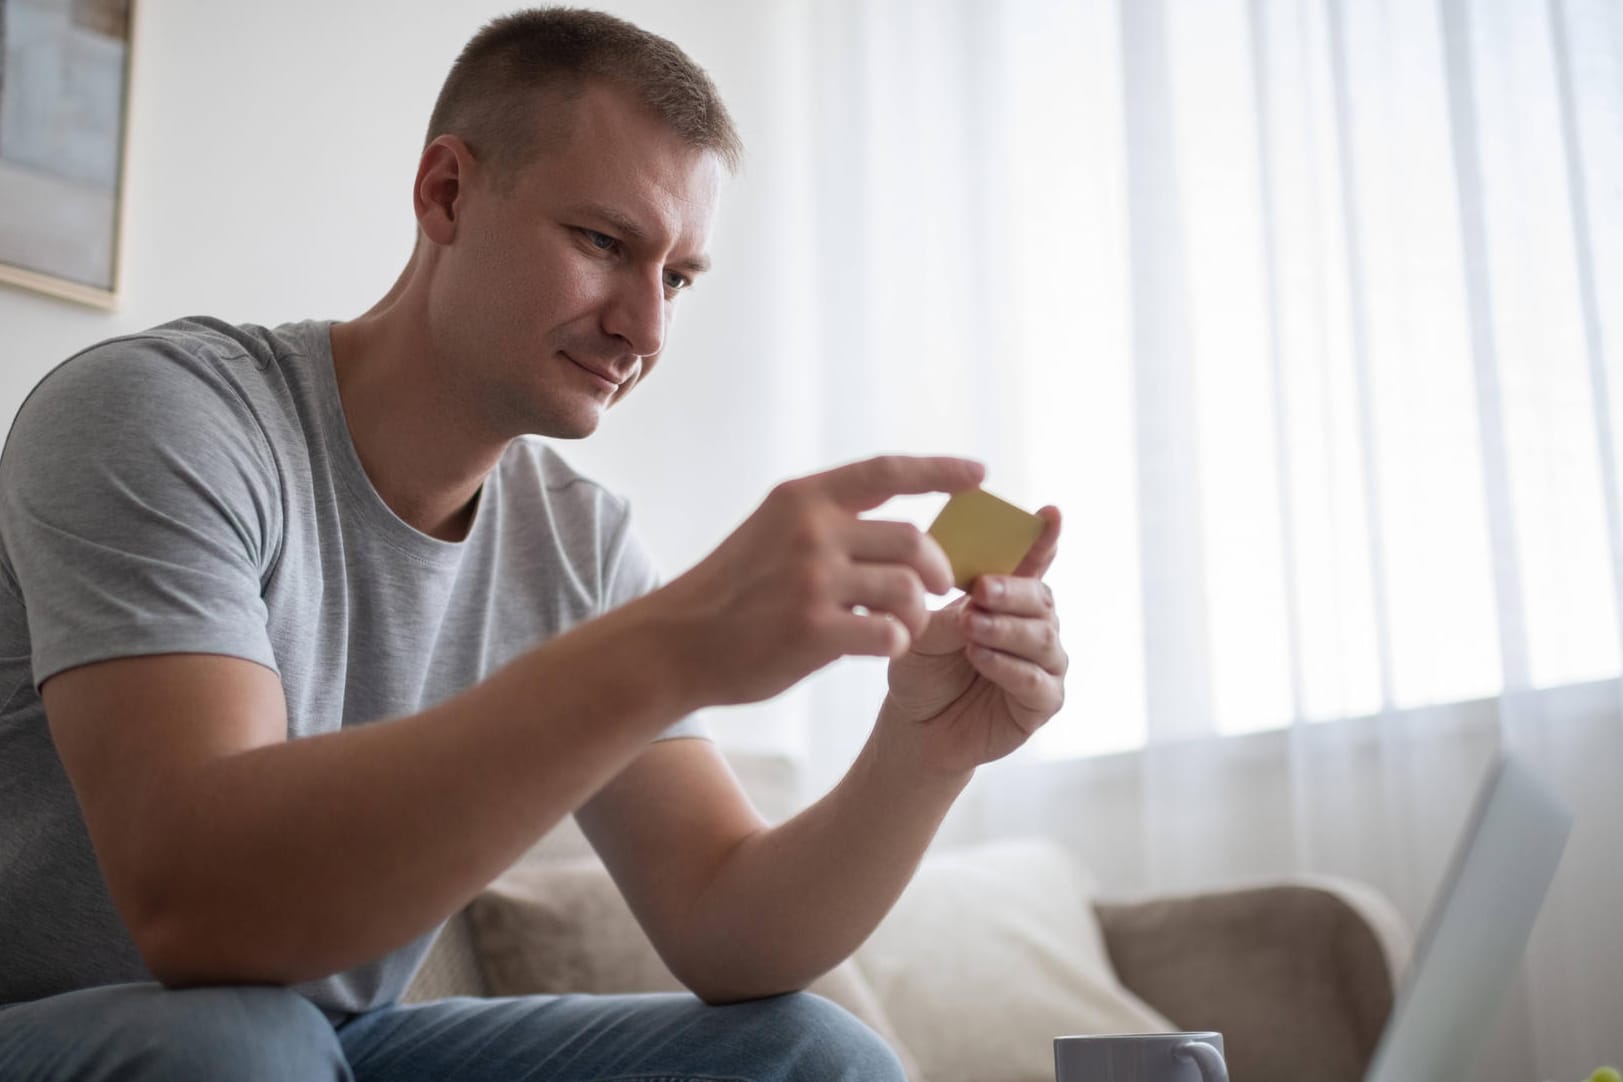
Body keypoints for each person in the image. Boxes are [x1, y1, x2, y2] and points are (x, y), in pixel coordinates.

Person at [0, 8, 1067, 1081]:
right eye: (606, 243)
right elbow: (203, 913)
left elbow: (727, 922)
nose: (647, 330)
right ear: (447, 194)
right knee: (238, 1043)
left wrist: (923, 749)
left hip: (318, 1042)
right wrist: (670, 647)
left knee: (809, 1053)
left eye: (679, 278)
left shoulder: (575, 541)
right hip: (76, 1027)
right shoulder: (159, 417)